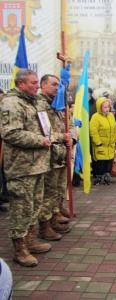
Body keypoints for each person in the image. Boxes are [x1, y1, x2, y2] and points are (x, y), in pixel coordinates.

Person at [1, 69, 52, 267]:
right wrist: (41, 140)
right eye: (33, 83)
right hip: (21, 167)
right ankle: (19, 249)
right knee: (21, 208)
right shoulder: (11, 103)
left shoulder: (34, 102)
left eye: (37, 82)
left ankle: (30, 240)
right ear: (21, 83)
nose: (37, 86)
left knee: (34, 205)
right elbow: (10, 133)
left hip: (38, 164)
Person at [36, 74, 76, 241]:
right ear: (42, 85)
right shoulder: (39, 104)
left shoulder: (58, 104)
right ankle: (46, 225)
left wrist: (72, 137)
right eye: (53, 84)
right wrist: (62, 137)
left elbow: (71, 123)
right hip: (49, 155)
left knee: (59, 188)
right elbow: (44, 130)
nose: (56, 88)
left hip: (61, 153)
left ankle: (56, 213)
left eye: (58, 85)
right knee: (49, 192)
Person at [90, 97, 116, 186]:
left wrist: (115, 140)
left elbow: (114, 129)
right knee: (100, 162)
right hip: (101, 144)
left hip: (110, 144)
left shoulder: (111, 115)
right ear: (99, 107)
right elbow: (93, 131)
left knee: (109, 162)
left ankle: (107, 177)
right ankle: (98, 177)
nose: (107, 109)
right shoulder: (95, 117)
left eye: (108, 106)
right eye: (105, 107)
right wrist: (98, 142)